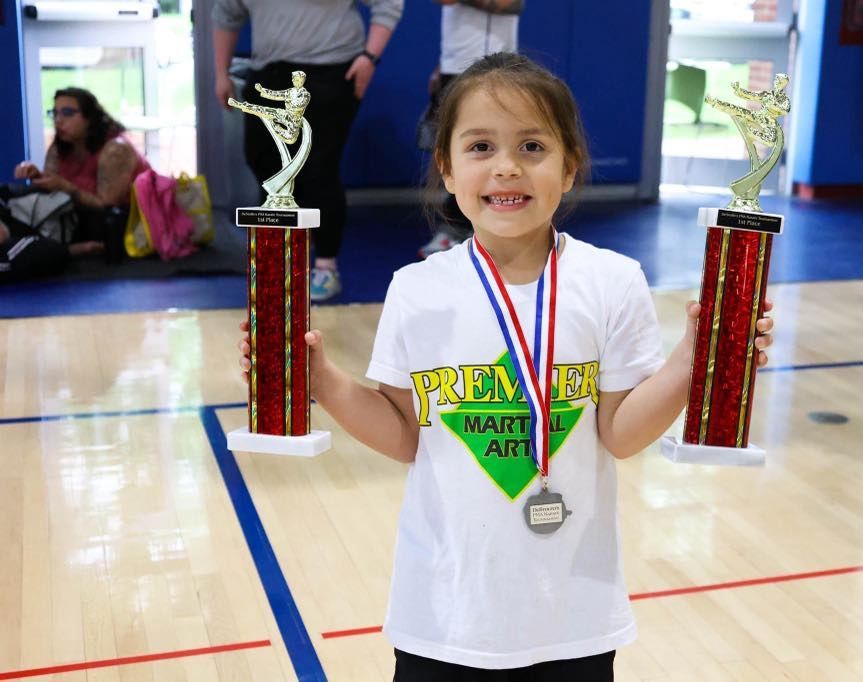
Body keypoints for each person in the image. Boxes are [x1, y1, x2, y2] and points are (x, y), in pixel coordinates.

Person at [237, 53, 775, 679]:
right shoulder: (417, 288)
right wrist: (319, 380)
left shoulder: (611, 281)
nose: (506, 166)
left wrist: (697, 357)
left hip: (573, 617)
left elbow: (621, 434)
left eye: (532, 145)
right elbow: (405, 434)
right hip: (444, 616)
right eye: (481, 146)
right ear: (447, 167)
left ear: (570, 166)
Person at [212, 0, 404, 301]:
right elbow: (226, 14)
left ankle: (326, 265)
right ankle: (282, 255)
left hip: (331, 69)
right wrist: (221, 72)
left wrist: (369, 57)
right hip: (268, 68)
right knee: (264, 164)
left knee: (318, 168)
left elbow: (389, 3)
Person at [418, 0, 524, 259]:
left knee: (487, 153)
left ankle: (475, 230)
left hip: (494, 69)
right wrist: (442, 66)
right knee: (455, 154)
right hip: (454, 68)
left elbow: (512, 4)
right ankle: (459, 228)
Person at [13, 87, 152, 260]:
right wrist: (36, 177)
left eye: (68, 113)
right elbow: (51, 194)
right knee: (12, 197)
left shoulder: (115, 149)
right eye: (54, 113)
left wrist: (64, 186)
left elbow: (107, 205)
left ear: (89, 118)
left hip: (122, 223)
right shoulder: (60, 147)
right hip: (79, 218)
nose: (58, 120)